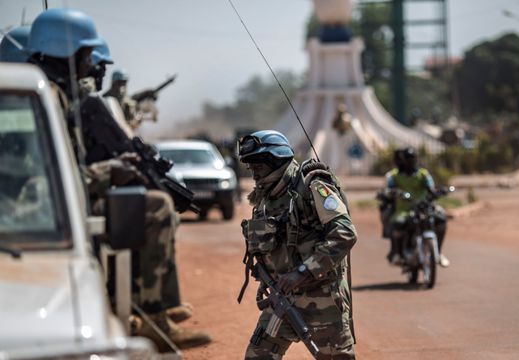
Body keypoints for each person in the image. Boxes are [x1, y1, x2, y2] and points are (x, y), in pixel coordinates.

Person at [26, 8, 210, 350]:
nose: (91, 65)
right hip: (37, 205)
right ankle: (153, 317)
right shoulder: (50, 98)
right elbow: (48, 175)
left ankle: (149, 309)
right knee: (154, 208)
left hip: (49, 201)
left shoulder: (54, 96)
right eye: (86, 56)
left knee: (150, 200)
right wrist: (109, 172)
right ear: (70, 54)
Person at [237, 130, 356, 359]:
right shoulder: (266, 197)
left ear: (275, 160)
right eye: (250, 167)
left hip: (322, 300)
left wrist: (302, 272)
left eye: (257, 166)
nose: (253, 174)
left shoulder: (312, 186)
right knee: (257, 355)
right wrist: (267, 278)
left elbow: (344, 233)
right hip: (282, 298)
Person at [383, 147, 449, 267]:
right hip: (404, 210)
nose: (410, 161)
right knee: (398, 224)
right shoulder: (395, 176)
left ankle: (438, 252)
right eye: (408, 158)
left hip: (424, 207)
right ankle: (398, 253)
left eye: (412, 158)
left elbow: (431, 188)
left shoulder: (423, 174)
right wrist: (395, 192)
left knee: (441, 219)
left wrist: (437, 192)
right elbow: (389, 190)